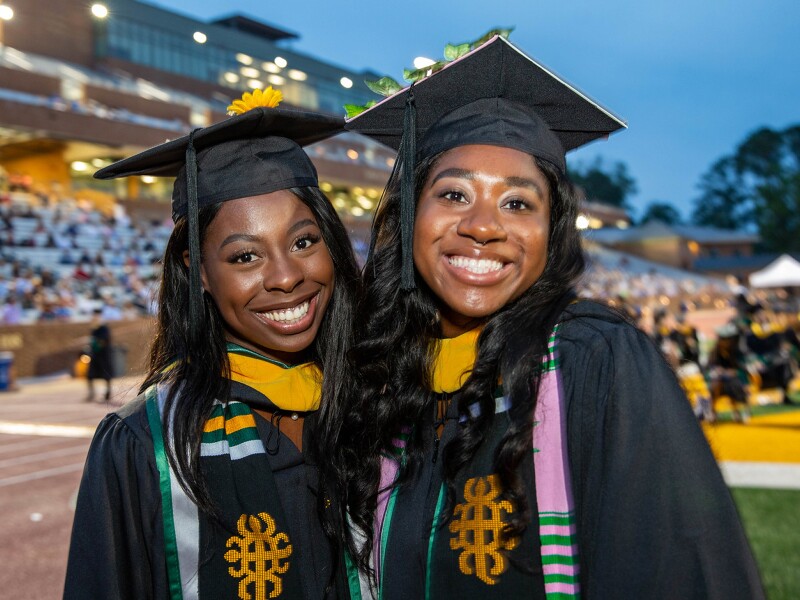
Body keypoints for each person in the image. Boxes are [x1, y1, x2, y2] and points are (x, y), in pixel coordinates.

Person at [333, 34, 764, 599]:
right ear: (411, 213)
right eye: (454, 195)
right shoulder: (384, 382)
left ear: (551, 231)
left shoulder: (596, 362)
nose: (483, 226)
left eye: (518, 203)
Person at [64, 92, 359, 599]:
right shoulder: (144, 444)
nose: (287, 277)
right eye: (245, 256)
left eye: (303, 242)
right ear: (196, 269)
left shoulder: (373, 405)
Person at [85, 308, 113, 402]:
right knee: (90, 374)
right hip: (95, 355)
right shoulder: (94, 329)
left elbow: (104, 341)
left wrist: (97, 344)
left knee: (106, 375)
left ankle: (108, 393)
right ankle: (91, 393)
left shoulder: (104, 328)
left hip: (103, 355)